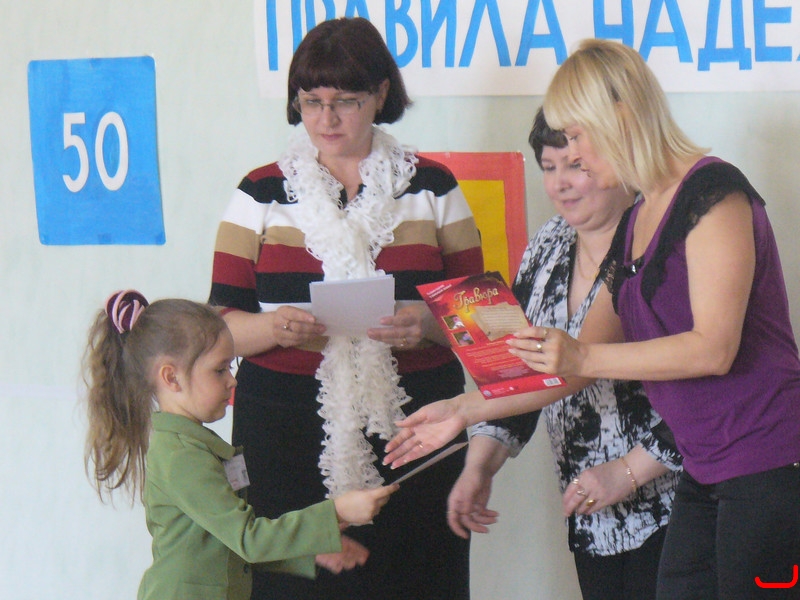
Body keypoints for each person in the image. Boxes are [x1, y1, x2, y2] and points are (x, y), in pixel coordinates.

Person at [386, 39, 800, 600]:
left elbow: (713, 348)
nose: (571, 160)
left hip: (765, 461)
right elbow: (570, 367)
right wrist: (462, 410)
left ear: (621, 115)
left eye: (578, 139)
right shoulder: (638, 219)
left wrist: (580, 357)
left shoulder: (714, 193)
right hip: (705, 469)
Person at [208, 17, 483, 600]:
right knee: (294, 587)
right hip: (283, 430)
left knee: (417, 581)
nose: (325, 119)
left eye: (344, 102)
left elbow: (480, 317)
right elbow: (219, 330)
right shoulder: (260, 192)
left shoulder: (433, 187)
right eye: (311, 102)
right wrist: (274, 327)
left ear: (381, 94)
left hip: (414, 425)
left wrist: (427, 323)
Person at [448, 107, 682, 600]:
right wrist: (479, 465)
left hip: (676, 499)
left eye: (575, 165)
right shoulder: (548, 243)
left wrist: (629, 470)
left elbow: (710, 384)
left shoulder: (660, 240)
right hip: (591, 508)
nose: (560, 184)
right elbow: (517, 371)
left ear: (618, 158)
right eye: (549, 167)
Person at [83, 290, 396, 600]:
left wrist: (311, 552)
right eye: (220, 370)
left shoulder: (194, 445)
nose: (232, 380)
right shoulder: (181, 456)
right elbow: (248, 539)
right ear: (171, 378)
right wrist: (335, 512)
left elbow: (227, 544)